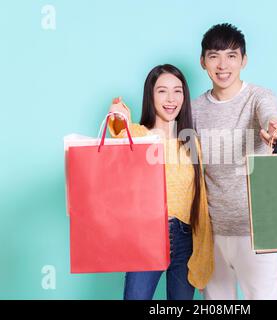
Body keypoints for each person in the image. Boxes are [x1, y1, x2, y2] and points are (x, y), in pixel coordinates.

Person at [191, 23, 277, 300]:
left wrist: (275, 129)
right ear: (203, 62)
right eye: (214, 56)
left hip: (256, 231)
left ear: (244, 61)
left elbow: (270, 115)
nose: (223, 65)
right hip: (210, 233)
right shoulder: (195, 109)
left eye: (231, 56)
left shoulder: (259, 96)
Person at [108, 64, 214, 300]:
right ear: (151, 95)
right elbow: (117, 132)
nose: (171, 99)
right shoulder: (138, 135)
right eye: (162, 91)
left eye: (177, 91)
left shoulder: (191, 142)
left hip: (185, 237)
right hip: (146, 236)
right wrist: (117, 115)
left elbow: (201, 199)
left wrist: (203, 250)